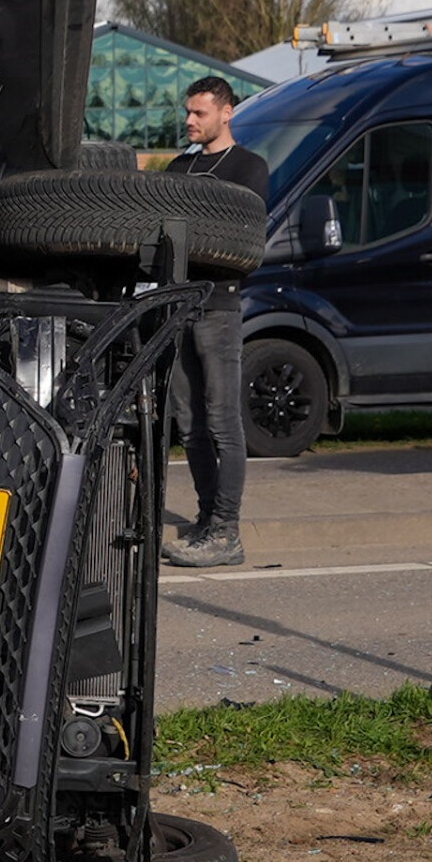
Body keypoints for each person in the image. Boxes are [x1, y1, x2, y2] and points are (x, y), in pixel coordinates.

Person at [161, 76, 269, 569]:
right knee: (191, 425)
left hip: (220, 307)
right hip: (177, 305)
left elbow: (239, 235)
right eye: (188, 112)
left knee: (224, 421)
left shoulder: (249, 168)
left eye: (199, 113)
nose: (189, 121)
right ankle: (206, 522)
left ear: (227, 113)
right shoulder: (178, 167)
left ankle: (227, 531)